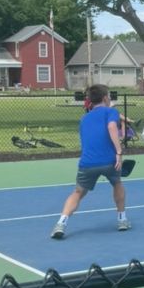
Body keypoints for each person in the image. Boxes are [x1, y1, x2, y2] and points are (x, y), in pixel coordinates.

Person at [51, 84, 130, 239]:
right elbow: (112, 127)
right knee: (117, 183)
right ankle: (122, 220)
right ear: (106, 98)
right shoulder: (111, 112)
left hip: (87, 163)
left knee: (78, 192)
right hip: (109, 161)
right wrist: (119, 152)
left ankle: (61, 223)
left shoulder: (84, 118)